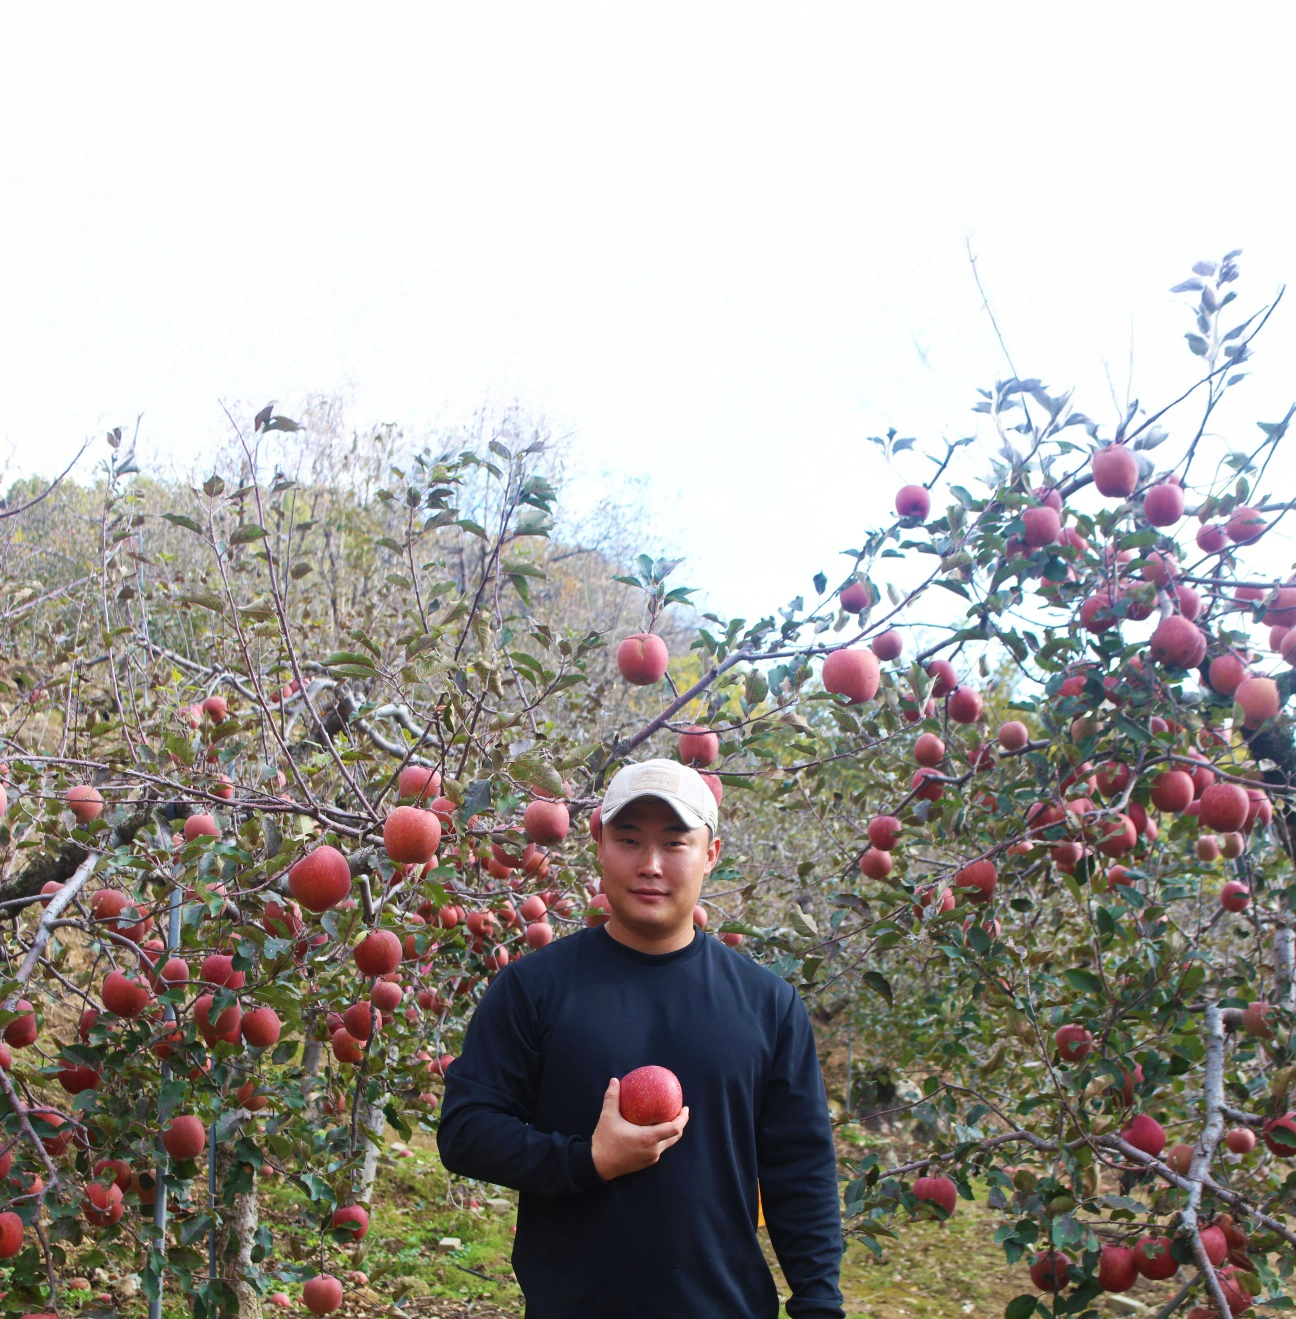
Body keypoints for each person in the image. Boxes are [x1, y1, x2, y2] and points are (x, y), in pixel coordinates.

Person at [437, 757, 845, 1318]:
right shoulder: (533, 988)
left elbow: (801, 1168)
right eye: (628, 839)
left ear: (711, 854)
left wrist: (820, 1303)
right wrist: (589, 1160)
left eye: (675, 843)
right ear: (599, 843)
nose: (650, 865)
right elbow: (465, 1132)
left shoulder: (767, 1004)